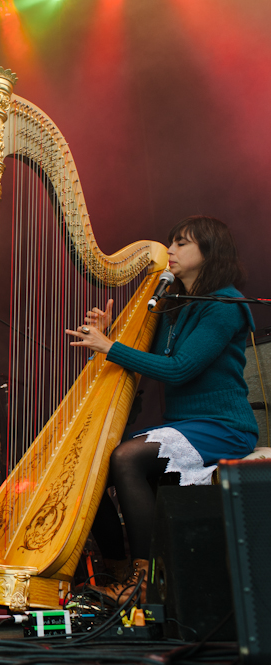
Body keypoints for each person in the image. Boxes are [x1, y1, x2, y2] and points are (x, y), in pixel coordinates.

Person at [66, 215, 258, 603]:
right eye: (171, 242)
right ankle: (115, 568)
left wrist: (109, 346)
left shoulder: (225, 305)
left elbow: (179, 369)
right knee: (92, 461)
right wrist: (112, 330)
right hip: (185, 425)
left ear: (210, 252)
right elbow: (146, 356)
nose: (170, 250)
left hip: (224, 427)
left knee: (127, 457)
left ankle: (146, 578)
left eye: (182, 243)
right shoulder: (175, 305)